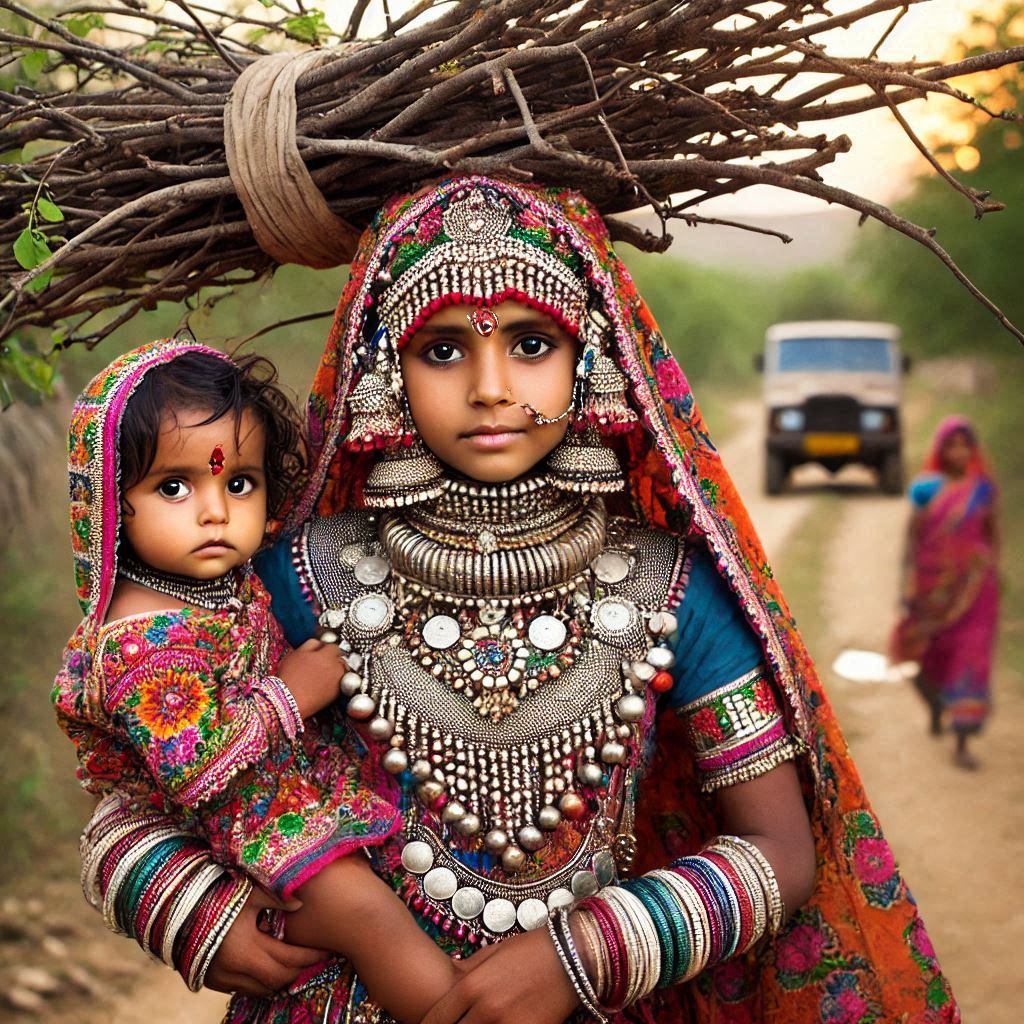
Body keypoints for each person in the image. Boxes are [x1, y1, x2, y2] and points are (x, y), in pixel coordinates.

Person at [76, 177, 958, 1023]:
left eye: (531, 345)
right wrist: (188, 906)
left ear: (592, 359)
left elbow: (781, 852)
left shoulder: (674, 587)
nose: (491, 388)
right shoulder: (295, 575)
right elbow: (141, 762)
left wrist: (578, 957)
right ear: (386, 365)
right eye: (444, 347)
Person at [54, 341, 463, 1021]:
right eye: (174, 486)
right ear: (107, 503)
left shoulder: (212, 584)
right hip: (234, 828)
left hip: (274, 803)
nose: (214, 511)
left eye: (238, 482)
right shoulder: (142, 641)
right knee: (371, 918)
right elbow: (195, 770)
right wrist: (292, 693)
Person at [893, 415, 999, 770]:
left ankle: (963, 740)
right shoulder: (926, 490)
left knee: (970, 659)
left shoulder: (982, 490)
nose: (958, 451)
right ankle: (937, 705)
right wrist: (907, 583)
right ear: (940, 450)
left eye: (964, 444)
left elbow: (992, 535)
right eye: (951, 444)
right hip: (932, 590)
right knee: (928, 659)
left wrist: (993, 572)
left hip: (974, 592)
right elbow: (911, 540)